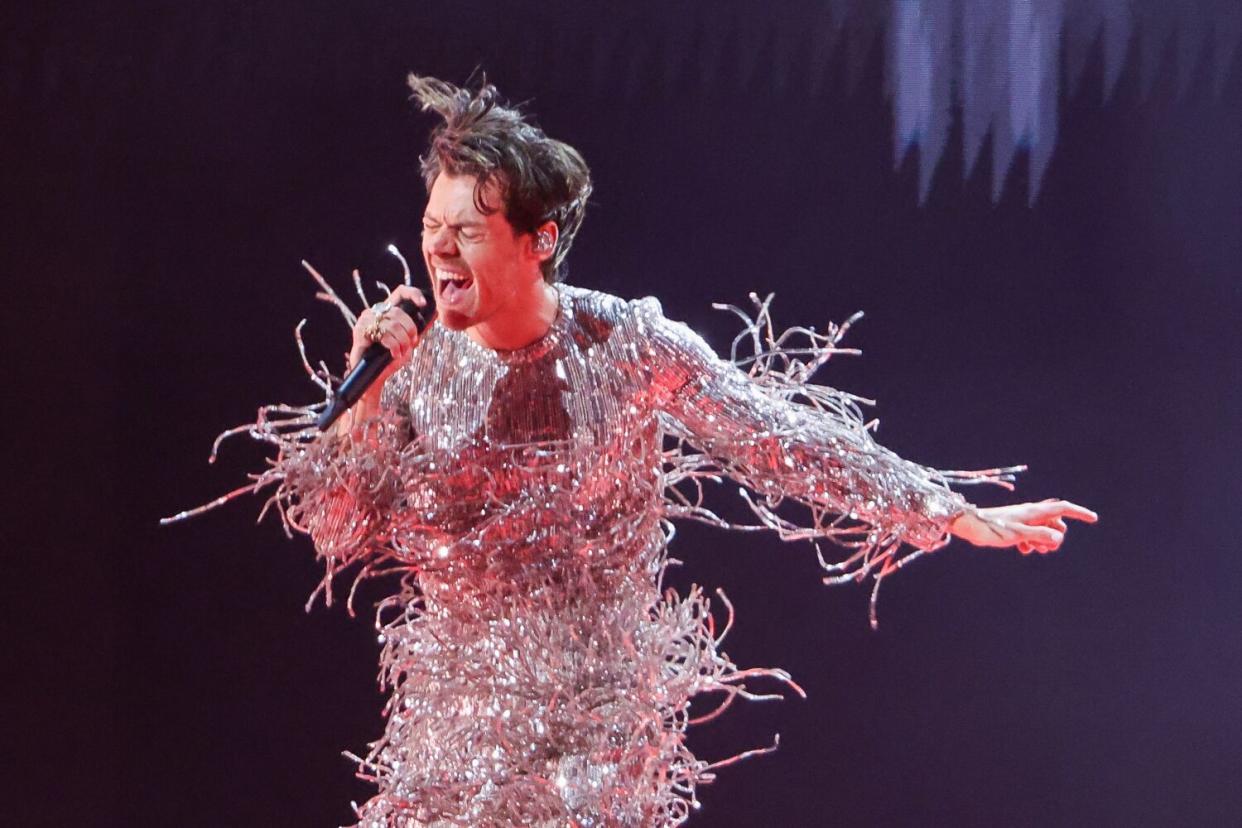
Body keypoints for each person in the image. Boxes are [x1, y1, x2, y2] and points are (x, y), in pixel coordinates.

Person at [171, 75, 1096, 827]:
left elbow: (780, 438)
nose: (439, 251)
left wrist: (949, 509)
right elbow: (336, 525)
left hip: (597, 732)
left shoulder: (624, 348)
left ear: (538, 241)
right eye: (430, 227)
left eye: (466, 231)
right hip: (454, 733)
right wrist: (364, 397)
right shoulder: (409, 363)